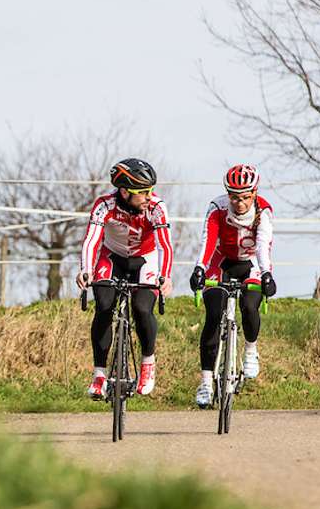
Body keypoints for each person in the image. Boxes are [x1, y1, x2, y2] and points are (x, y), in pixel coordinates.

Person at [76, 157, 173, 399]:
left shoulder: (156, 207)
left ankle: (147, 363)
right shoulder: (104, 205)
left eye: (150, 191)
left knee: (142, 308)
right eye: (142, 192)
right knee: (104, 306)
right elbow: (91, 240)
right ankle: (99, 375)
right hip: (113, 258)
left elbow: (165, 245)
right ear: (124, 192)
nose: (149, 196)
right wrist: (85, 269)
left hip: (145, 258)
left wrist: (165, 276)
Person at [189, 164, 276, 407]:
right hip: (221, 261)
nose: (240, 203)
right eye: (234, 197)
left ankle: (250, 350)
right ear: (228, 194)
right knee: (213, 314)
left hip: (250, 263)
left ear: (254, 193)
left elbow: (262, 244)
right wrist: (198, 268)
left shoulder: (264, 211)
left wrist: (267, 274)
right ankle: (206, 382)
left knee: (249, 306)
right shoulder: (217, 208)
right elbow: (208, 240)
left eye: (245, 197)